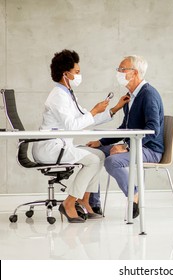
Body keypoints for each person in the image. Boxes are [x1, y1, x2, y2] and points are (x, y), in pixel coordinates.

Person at [32, 49, 130, 223]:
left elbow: (85, 119)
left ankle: (84, 199)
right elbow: (73, 126)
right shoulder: (58, 97)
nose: (79, 75)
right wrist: (93, 111)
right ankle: (69, 203)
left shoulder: (68, 94)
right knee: (92, 160)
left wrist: (114, 108)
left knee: (99, 155)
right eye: (77, 72)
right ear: (66, 74)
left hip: (60, 146)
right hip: (49, 148)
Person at [87, 55, 164, 218]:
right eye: (119, 69)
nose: (119, 72)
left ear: (134, 72)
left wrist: (127, 147)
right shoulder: (131, 97)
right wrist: (100, 142)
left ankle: (135, 196)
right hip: (137, 146)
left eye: (123, 69)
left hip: (150, 149)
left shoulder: (148, 94)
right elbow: (124, 128)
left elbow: (153, 129)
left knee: (112, 161)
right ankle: (93, 205)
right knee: (93, 154)